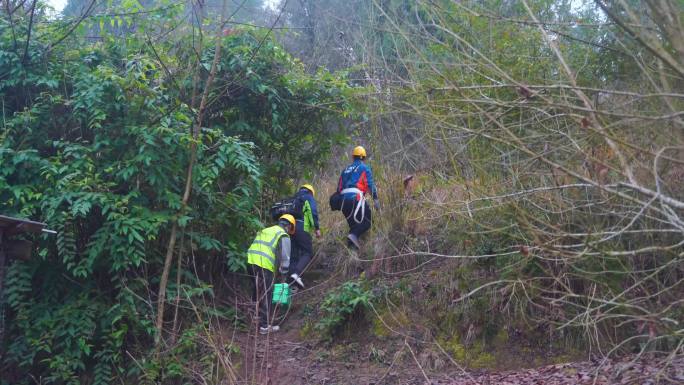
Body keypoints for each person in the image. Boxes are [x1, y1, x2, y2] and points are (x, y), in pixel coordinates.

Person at [247, 214, 295, 334]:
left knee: (257, 288)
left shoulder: (267, 229)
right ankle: (264, 326)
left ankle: (255, 316)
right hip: (264, 264)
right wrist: (283, 276)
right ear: (288, 226)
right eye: (290, 229)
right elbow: (285, 258)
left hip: (250, 260)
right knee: (267, 293)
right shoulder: (283, 235)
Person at [337, 146, 379, 249]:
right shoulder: (364, 168)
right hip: (356, 198)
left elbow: (339, 188)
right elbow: (370, 184)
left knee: (354, 226)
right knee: (369, 221)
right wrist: (376, 199)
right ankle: (354, 236)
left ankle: (352, 253)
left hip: (342, 201)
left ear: (353, 157)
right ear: (363, 157)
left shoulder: (345, 170)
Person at [288, 184, 321, 289]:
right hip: (302, 225)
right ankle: (296, 274)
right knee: (308, 252)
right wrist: (316, 228)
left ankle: (291, 281)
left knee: (293, 255)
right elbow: (312, 211)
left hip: (289, 228)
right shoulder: (308, 197)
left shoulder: (294, 198)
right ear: (311, 192)